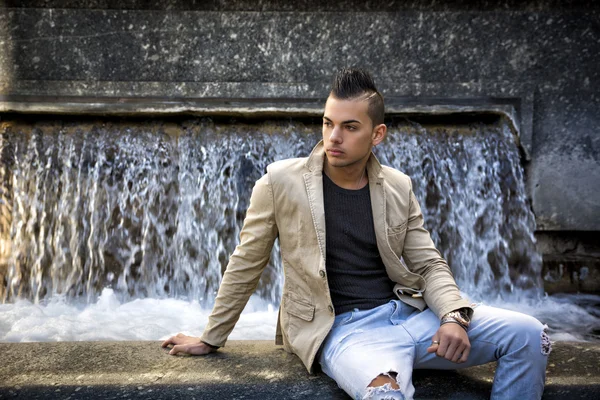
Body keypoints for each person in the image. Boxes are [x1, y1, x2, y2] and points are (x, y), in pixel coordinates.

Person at [162, 68, 550, 400]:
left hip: (410, 316)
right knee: (384, 392)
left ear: (377, 134)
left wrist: (453, 317)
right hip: (343, 331)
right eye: (329, 123)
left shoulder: (398, 186)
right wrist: (211, 337)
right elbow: (246, 262)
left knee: (529, 334)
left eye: (350, 127)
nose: (333, 137)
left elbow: (429, 263)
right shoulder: (280, 182)